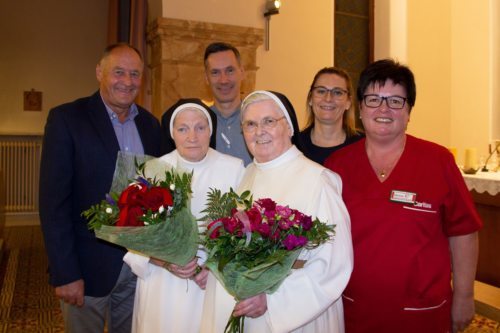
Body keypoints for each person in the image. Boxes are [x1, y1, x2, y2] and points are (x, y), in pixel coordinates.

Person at [324, 59, 482, 333]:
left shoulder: (438, 161)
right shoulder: (337, 166)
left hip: (422, 313)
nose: (384, 108)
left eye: (396, 101)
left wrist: (465, 296)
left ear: (409, 111)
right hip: (354, 311)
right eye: (373, 99)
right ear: (360, 107)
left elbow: (464, 233)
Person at [201, 90, 354, 333]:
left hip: (295, 314)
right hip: (245, 309)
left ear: (289, 127)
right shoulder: (247, 174)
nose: (259, 131)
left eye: (269, 121)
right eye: (250, 124)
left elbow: (334, 264)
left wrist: (273, 300)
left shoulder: (318, 180)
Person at [39, 43, 162, 333]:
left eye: (134, 74)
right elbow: (53, 203)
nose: (127, 81)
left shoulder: (150, 125)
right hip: (86, 269)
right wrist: (65, 272)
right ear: (99, 72)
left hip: (138, 268)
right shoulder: (67, 119)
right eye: (118, 72)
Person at [124, 99, 245, 333]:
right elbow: (132, 236)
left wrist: (214, 268)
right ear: (172, 133)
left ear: (210, 130)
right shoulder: (152, 170)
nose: (192, 136)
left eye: (200, 127)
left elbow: (244, 233)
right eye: (183, 129)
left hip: (212, 284)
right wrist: (166, 262)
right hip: (163, 286)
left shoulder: (234, 169)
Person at [299, 67, 364, 165]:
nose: (328, 98)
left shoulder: (364, 146)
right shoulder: (294, 146)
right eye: (321, 91)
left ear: (348, 102)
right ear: (310, 99)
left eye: (337, 92)